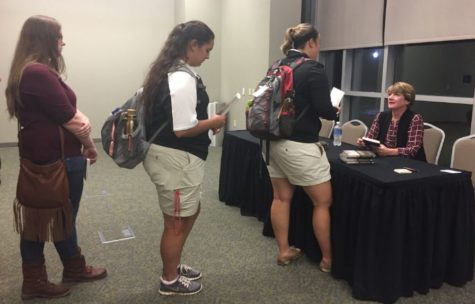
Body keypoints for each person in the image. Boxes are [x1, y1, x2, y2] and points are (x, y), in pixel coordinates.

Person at [5, 15, 106, 300]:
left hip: (47, 157)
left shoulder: (31, 71)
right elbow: (72, 119)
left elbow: (69, 113)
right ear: (45, 39)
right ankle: (37, 281)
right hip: (56, 161)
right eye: (59, 36)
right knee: (44, 221)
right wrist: (90, 144)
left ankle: (73, 267)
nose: (63, 41)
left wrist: (79, 121)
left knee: (58, 218)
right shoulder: (38, 73)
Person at [141, 20, 226, 296]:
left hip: (175, 158)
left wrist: (206, 122)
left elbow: (180, 121)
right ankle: (169, 281)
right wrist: (212, 121)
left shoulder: (171, 71)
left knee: (189, 211)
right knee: (176, 222)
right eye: (206, 50)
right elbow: (183, 129)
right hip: (174, 159)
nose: (208, 56)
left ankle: (174, 265)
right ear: (192, 46)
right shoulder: (181, 78)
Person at [267, 23, 338, 272]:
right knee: (322, 202)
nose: (319, 49)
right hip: (299, 144)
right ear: (310, 43)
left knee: (281, 197)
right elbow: (323, 109)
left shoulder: (277, 65)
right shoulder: (312, 69)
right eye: (318, 43)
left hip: (271, 141)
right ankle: (328, 260)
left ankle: (284, 251)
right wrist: (334, 111)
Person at [356, 82, 426, 161]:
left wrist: (389, 152)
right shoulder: (381, 116)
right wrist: (364, 143)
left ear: (407, 100)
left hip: (409, 164)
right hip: (384, 161)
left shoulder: (415, 118)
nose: (390, 97)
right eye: (389, 94)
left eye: (396, 94)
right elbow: (370, 139)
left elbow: (412, 150)